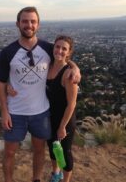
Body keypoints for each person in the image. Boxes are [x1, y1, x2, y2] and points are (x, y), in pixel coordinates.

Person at [0, 6, 80, 182]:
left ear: (38, 24)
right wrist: (4, 111)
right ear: (18, 24)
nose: (29, 25)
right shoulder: (8, 52)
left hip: (41, 112)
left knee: (40, 150)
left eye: (33, 21)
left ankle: (36, 179)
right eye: (25, 21)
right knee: (10, 152)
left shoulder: (47, 48)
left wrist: (75, 68)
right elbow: (1, 83)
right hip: (15, 112)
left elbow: (63, 55)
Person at [46, 35, 78, 182]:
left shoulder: (69, 74)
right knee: (53, 149)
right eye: (57, 47)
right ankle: (56, 174)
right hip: (50, 117)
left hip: (65, 120)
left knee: (65, 152)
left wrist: (62, 126)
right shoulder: (48, 66)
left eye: (64, 48)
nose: (59, 50)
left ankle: (65, 180)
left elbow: (72, 104)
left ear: (69, 52)